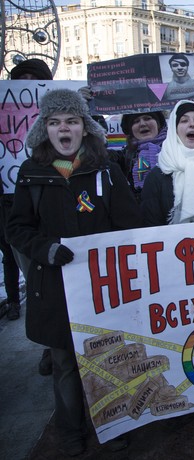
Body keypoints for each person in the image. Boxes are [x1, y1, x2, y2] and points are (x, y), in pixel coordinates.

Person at [6, 88, 142, 456]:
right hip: (53, 287)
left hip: (101, 286)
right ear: (44, 130)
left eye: (71, 121)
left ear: (85, 127)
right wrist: (46, 249)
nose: (63, 129)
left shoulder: (108, 171)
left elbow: (130, 226)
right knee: (65, 363)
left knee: (105, 358)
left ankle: (112, 423)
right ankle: (70, 432)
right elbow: (17, 228)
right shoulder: (31, 173)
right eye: (54, 122)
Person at [7, 58, 53, 376]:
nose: (25, 83)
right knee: (38, 283)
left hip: (52, 210)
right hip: (12, 210)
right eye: (18, 79)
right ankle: (52, 346)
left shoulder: (60, 111)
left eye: (31, 79)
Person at [113, 111, 168, 202]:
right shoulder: (125, 155)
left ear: (158, 124)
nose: (142, 124)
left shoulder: (175, 149)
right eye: (136, 121)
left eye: (147, 118)